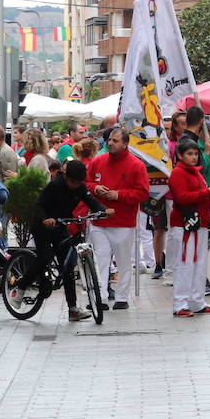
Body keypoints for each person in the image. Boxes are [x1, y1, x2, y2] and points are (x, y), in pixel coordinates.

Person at [21, 159, 113, 321]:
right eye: (72, 182)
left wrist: (104, 210)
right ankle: (21, 286)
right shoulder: (54, 186)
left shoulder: (80, 187)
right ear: (66, 177)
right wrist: (45, 219)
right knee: (45, 256)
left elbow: (91, 201)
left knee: (68, 266)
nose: (75, 185)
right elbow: (39, 205)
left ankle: (73, 309)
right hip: (43, 225)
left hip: (61, 224)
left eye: (79, 182)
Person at [85, 127, 150, 311]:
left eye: (115, 140)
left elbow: (143, 192)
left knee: (123, 261)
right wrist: (95, 188)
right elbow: (86, 183)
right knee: (101, 260)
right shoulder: (98, 161)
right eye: (110, 140)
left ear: (126, 144)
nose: (110, 143)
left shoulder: (136, 165)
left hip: (123, 221)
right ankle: (101, 298)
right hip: (99, 220)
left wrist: (118, 195)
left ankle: (122, 297)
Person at [168, 138, 210, 317]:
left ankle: (197, 301)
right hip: (185, 225)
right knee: (184, 264)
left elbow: (196, 196)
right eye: (189, 154)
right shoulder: (178, 173)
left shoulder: (195, 172)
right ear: (180, 155)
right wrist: (207, 192)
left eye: (196, 154)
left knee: (199, 264)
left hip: (199, 223)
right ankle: (180, 303)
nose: (194, 157)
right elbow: (182, 198)